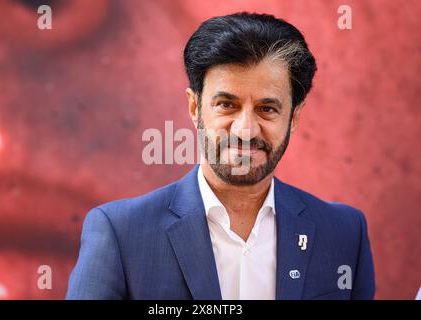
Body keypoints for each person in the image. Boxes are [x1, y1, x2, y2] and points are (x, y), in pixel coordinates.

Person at [66, 12, 375, 300]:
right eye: (227, 105)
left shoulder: (345, 234)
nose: (245, 130)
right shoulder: (121, 233)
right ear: (194, 108)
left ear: (294, 117)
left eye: (267, 109)